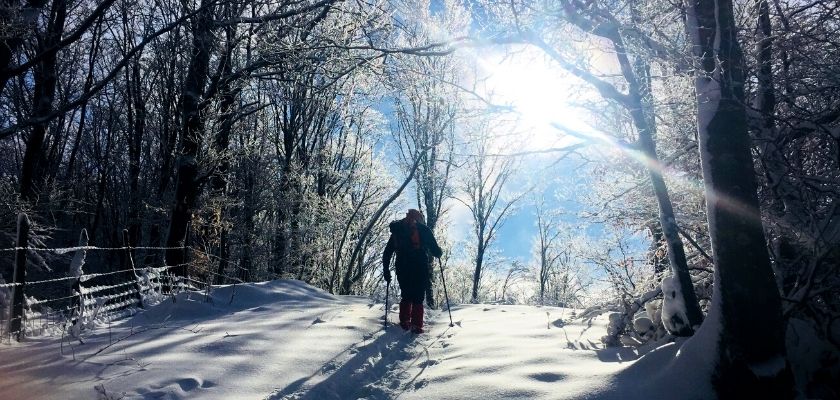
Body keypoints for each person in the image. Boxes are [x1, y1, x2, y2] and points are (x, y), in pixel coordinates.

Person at [383, 209, 442, 334]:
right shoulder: (423, 229)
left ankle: (404, 321)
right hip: (419, 264)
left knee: (406, 293)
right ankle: (416, 325)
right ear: (419, 218)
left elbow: (387, 252)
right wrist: (439, 252)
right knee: (418, 295)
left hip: (402, 265)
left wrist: (386, 270)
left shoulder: (397, 230)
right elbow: (435, 250)